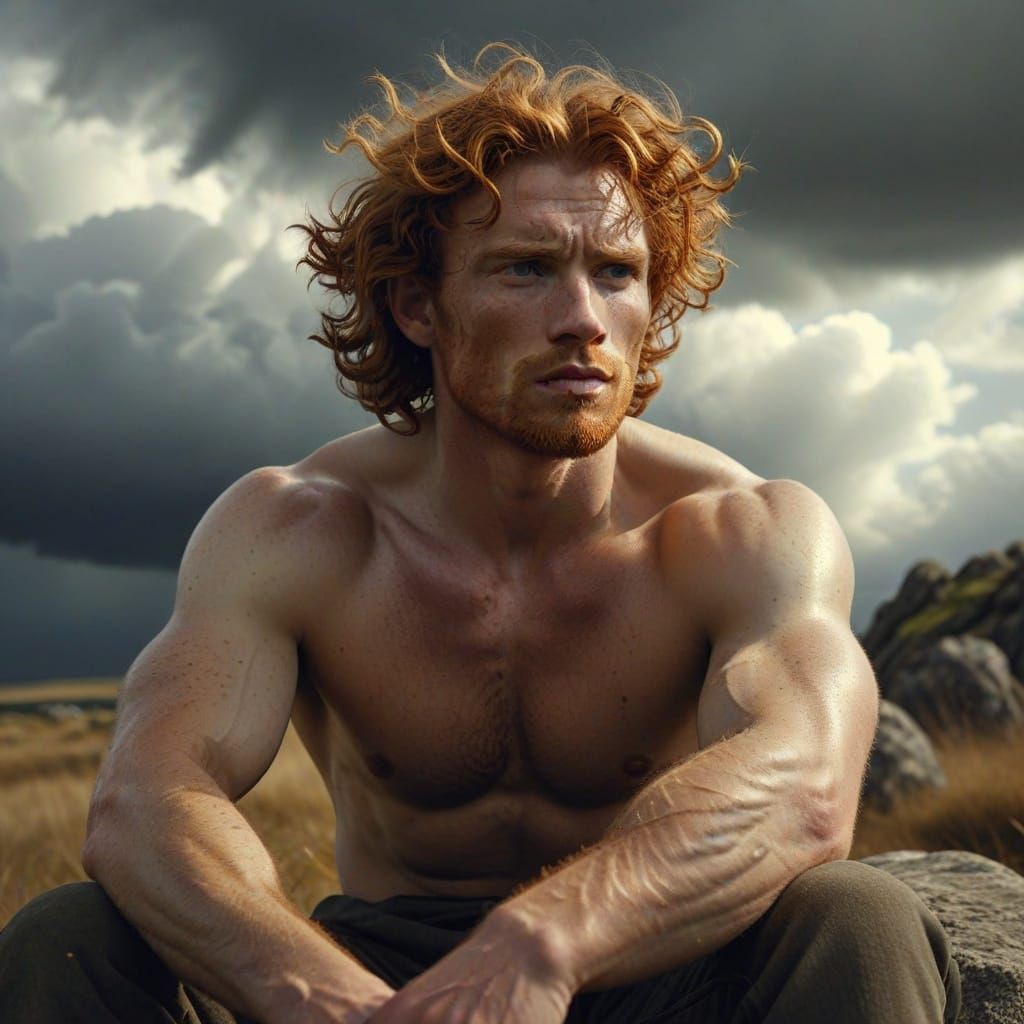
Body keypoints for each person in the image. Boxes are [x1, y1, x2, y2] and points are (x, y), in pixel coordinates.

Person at [0, 42, 960, 1024]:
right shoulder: (294, 527)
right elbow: (148, 799)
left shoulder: (745, 529)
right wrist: (313, 992)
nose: (582, 318)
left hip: (651, 964)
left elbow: (801, 787)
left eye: (617, 272)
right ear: (419, 304)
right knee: (70, 935)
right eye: (527, 268)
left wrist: (536, 948)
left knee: (858, 913)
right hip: (376, 975)